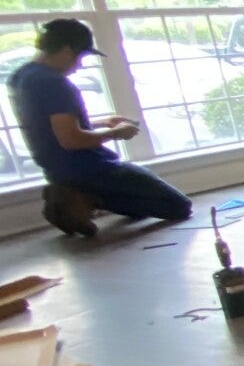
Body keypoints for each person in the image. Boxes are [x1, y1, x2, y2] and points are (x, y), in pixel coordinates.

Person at [6, 18, 192, 237]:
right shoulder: (55, 83)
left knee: (141, 203)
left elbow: (47, 126)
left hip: (56, 170)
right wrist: (117, 133)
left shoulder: (20, 78)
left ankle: (76, 196)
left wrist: (102, 123)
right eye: (80, 57)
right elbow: (71, 140)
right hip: (90, 168)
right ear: (67, 51)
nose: (79, 66)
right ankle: (85, 198)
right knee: (179, 206)